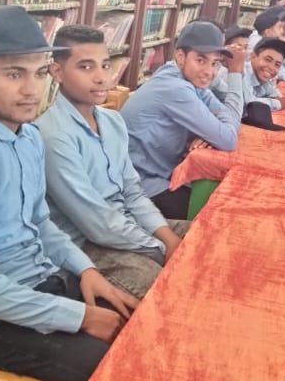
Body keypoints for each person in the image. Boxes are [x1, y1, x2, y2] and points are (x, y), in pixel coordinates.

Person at [0, 6, 137, 381]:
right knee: (120, 378)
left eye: (41, 73)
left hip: (44, 282)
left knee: (144, 325)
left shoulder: (28, 137)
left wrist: (87, 271)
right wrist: (80, 317)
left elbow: (41, 223)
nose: (32, 90)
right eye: (14, 74)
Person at [39, 25, 189, 300]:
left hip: (127, 222)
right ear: (57, 72)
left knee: (208, 236)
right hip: (88, 243)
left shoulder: (112, 121)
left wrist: (167, 237)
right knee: (170, 289)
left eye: (105, 65)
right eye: (86, 67)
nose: (101, 78)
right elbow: (97, 223)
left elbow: (132, 191)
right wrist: (161, 248)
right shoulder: (52, 135)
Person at [121, 20, 244, 219]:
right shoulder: (175, 87)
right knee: (216, 214)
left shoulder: (188, 78)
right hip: (140, 184)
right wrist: (236, 73)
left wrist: (212, 130)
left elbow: (232, 120)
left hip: (163, 171)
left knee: (225, 196)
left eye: (215, 63)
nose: (209, 72)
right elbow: (229, 139)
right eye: (201, 60)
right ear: (180, 57)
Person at [243, 36, 285, 111]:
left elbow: (282, 101)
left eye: (277, 65)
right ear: (253, 56)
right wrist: (274, 103)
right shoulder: (242, 73)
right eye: (268, 60)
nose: (272, 67)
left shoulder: (265, 79)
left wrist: (260, 101)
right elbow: (249, 104)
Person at [211, 25, 252, 102]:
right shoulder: (223, 71)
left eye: (245, 47)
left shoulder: (244, 67)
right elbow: (243, 101)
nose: (243, 51)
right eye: (238, 47)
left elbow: (248, 97)